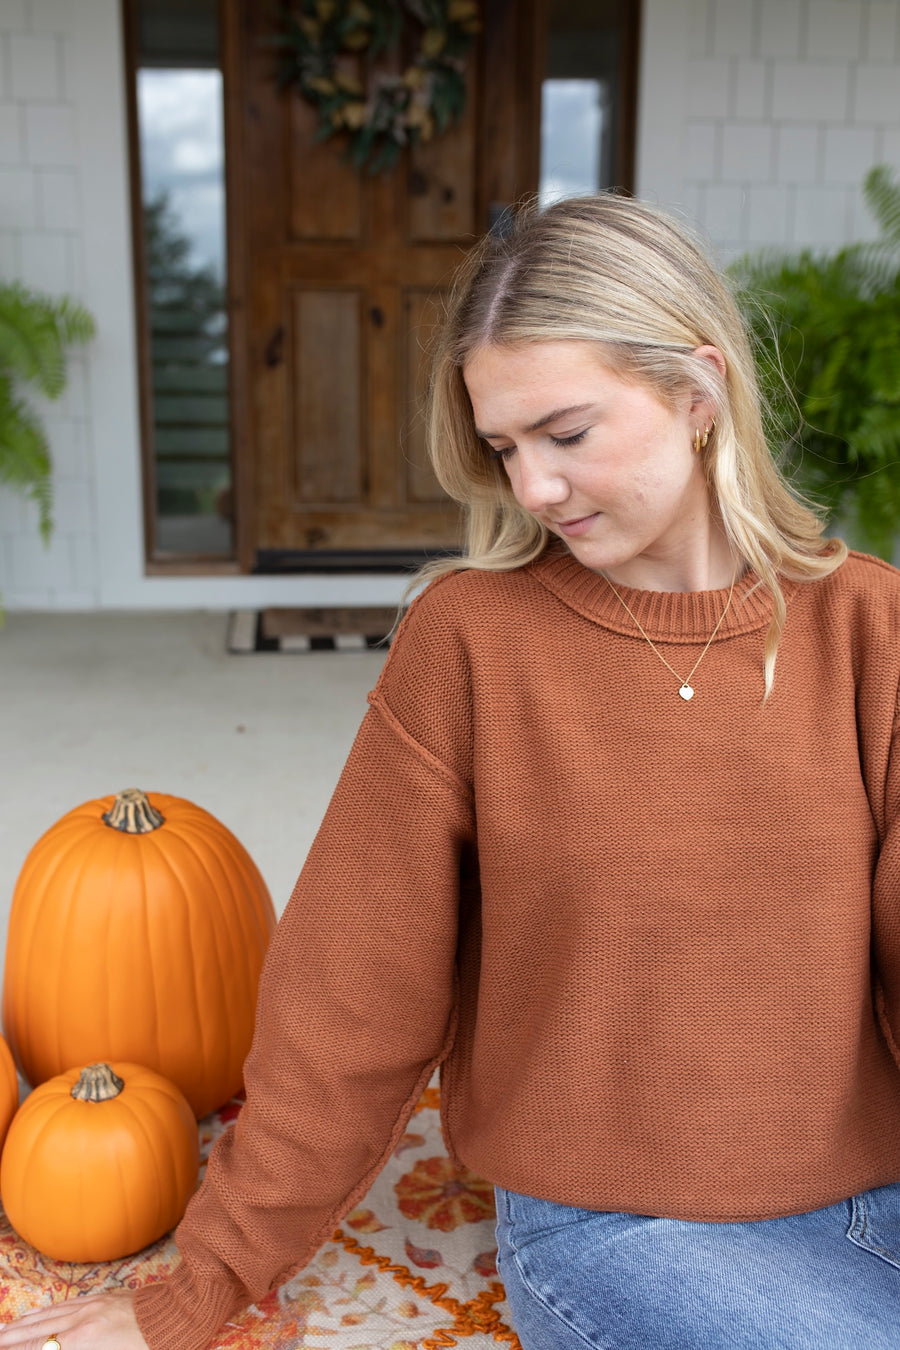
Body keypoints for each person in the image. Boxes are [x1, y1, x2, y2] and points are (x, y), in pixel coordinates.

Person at [2, 191, 900, 1350]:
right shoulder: (475, 642)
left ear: (698, 390)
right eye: (503, 448)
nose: (531, 490)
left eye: (565, 434)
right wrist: (200, 1284)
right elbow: (351, 993)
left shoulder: (871, 631)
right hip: (627, 1230)